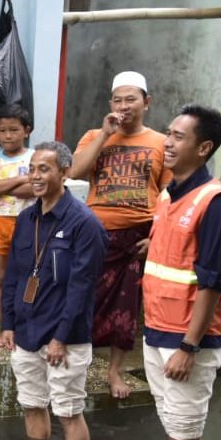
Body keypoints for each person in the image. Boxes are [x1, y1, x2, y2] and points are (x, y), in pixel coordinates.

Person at [141, 104, 221, 440]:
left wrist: (189, 347)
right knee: (172, 428)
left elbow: (212, 282)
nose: (167, 142)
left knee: (186, 438)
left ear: (204, 148)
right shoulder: (169, 195)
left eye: (178, 137)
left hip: (186, 340)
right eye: (169, 133)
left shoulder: (215, 202)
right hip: (157, 329)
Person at [0, 142, 106, 440]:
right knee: (32, 405)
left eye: (43, 169)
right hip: (26, 332)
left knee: (69, 412)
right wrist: (8, 324)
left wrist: (60, 337)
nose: (35, 176)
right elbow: (13, 275)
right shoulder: (26, 219)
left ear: (65, 172)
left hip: (64, 337)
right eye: (31, 169)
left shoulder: (84, 223)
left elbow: (82, 288)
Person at [69, 71, 170, 399]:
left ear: (146, 102)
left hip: (138, 236)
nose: (124, 106)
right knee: (82, 298)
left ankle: (114, 371)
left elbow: (169, 196)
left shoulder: (161, 143)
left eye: (131, 99)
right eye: (117, 100)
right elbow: (75, 171)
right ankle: (77, 365)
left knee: (127, 308)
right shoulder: (94, 135)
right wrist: (104, 135)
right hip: (96, 233)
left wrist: (156, 238)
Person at [0, 105, 37, 322]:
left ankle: (26, 325)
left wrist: (0, 187)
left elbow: (33, 190)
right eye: (2, 131)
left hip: (29, 222)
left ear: (26, 130)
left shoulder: (35, 157)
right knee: (1, 277)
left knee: (28, 275)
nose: (8, 136)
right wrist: (21, 179)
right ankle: (6, 327)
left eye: (14, 130)